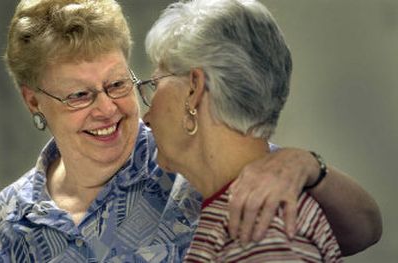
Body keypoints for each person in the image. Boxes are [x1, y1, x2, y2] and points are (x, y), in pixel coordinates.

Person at [0, 0, 380, 262]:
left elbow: (361, 230)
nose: (107, 109)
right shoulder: (8, 220)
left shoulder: (192, 158)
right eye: (80, 95)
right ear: (34, 101)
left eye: (118, 84)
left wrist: (307, 165)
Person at [141, 0, 381, 261]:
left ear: (193, 90)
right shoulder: (243, 214)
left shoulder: (260, 231)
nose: (147, 115)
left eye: (155, 84)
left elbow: (368, 227)